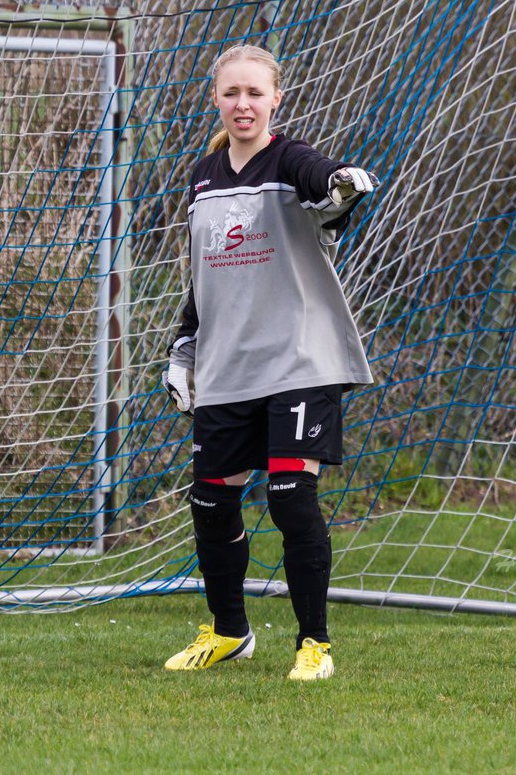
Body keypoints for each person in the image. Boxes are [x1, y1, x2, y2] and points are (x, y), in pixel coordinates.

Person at [160, 44, 377, 679]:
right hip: (227, 368)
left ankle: (315, 645)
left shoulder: (291, 160)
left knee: (289, 494)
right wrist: (183, 353)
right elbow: (202, 280)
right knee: (208, 500)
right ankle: (230, 631)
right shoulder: (201, 178)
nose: (243, 104)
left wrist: (340, 184)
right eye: (232, 93)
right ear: (216, 98)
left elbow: (323, 184)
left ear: (275, 98)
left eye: (255, 93)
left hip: (299, 362)